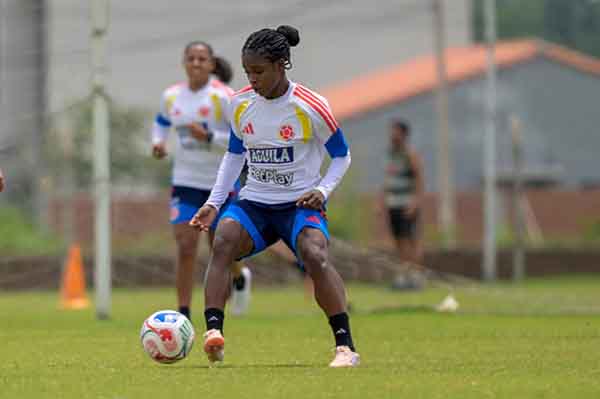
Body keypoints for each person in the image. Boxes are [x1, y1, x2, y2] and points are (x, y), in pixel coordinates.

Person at [190, 25, 359, 368]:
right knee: (222, 240)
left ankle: (345, 347)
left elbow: (342, 155)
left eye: (259, 71)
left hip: (298, 204)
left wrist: (321, 189)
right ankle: (213, 335)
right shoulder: (239, 105)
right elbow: (234, 156)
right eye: (248, 71)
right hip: (255, 203)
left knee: (314, 255)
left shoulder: (310, 105)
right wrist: (213, 203)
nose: (252, 79)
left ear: (281, 65)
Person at [151, 41, 251, 321]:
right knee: (185, 246)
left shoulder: (223, 97)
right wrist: (158, 142)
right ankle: (183, 314)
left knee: (220, 247)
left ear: (211, 64)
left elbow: (240, 140)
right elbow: (160, 122)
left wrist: (208, 137)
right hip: (185, 181)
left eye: (202, 59)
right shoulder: (171, 96)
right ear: (184, 62)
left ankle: (239, 276)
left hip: (220, 184)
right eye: (191, 58)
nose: (196, 63)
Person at [382, 119, 425, 265]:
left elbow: (419, 179)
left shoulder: (411, 155)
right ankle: (404, 275)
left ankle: (415, 275)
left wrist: (415, 202)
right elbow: (388, 181)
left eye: (396, 132)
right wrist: (382, 202)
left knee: (410, 240)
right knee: (398, 240)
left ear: (404, 134)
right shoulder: (391, 155)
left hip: (407, 204)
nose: (392, 135)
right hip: (393, 204)